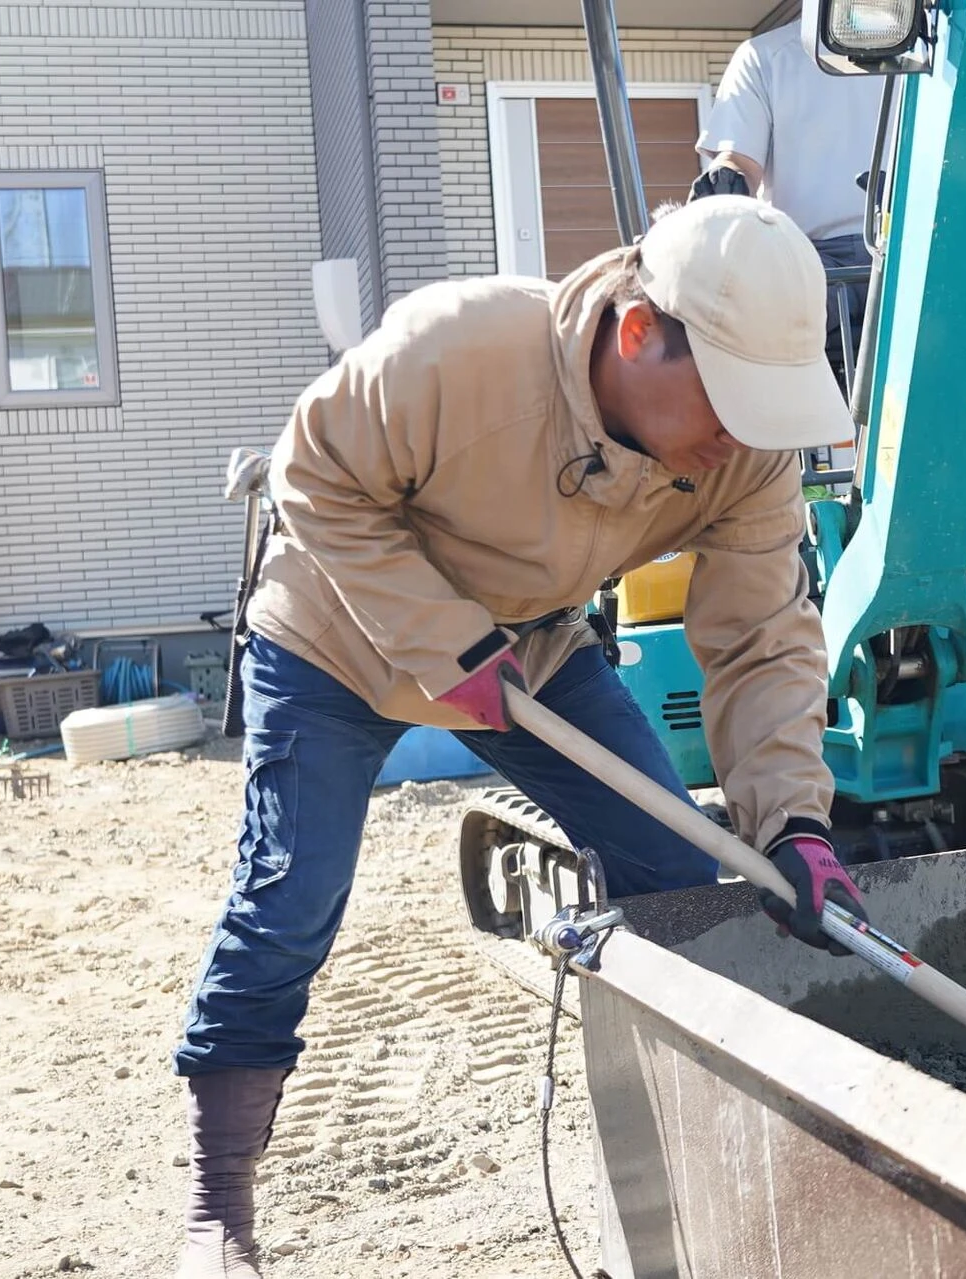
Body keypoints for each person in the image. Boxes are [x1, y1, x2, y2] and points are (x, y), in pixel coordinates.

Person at [170, 195, 870, 1278]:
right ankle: (219, 1213)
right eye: (731, 398)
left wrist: (797, 825)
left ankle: (671, 1153)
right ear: (639, 334)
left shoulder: (748, 457)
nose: (743, 432)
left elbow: (764, 635)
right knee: (291, 897)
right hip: (332, 638)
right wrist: (448, 646)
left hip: (528, 648)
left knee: (677, 866)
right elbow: (312, 474)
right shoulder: (463, 347)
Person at [692, 19, 966, 531]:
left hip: (923, 244)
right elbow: (737, 154)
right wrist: (725, 177)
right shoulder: (767, 57)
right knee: (768, 295)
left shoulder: (939, 46)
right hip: (812, 254)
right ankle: (800, 476)